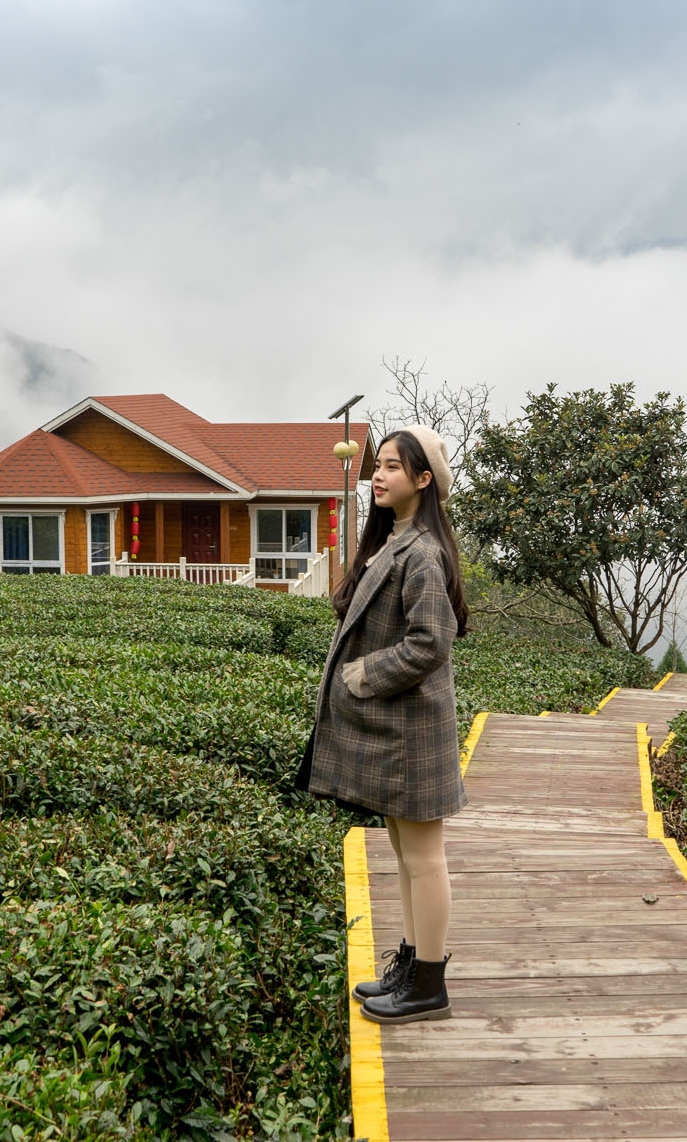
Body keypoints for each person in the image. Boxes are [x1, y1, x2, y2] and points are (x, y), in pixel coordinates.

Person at [298, 426, 467, 1024]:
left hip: (413, 732)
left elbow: (431, 643)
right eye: (378, 465)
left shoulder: (421, 551)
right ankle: (413, 963)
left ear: (423, 480)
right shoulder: (393, 539)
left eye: (393, 468)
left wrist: (362, 674)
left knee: (424, 856)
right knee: (405, 853)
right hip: (401, 731)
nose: (379, 475)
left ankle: (430, 983)